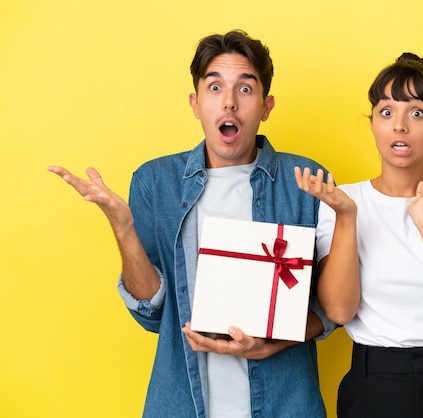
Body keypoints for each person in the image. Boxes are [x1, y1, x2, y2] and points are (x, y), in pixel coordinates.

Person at [49, 30, 333, 418]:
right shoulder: (155, 183)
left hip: (286, 403)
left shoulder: (306, 181)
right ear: (195, 103)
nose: (229, 103)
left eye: (245, 89)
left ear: (266, 106)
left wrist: (276, 343)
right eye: (215, 87)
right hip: (182, 404)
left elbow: (332, 305)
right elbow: (151, 313)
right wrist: (124, 230)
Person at [295, 53, 423, 417]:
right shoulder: (342, 201)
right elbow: (340, 309)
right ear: (372, 123)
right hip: (375, 384)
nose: (400, 126)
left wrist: (422, 219)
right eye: (387, 112)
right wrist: (346, 217)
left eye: (417, 113)